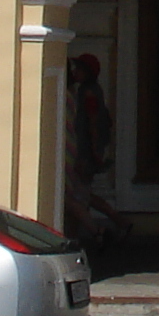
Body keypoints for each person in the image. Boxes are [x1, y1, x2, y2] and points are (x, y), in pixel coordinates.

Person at [62, 52, 128, 253]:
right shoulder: (86, 90)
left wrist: (92, 152)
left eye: (79, 69)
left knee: (77, 196)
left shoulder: (88, 93)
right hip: (84, 150)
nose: (75, 72)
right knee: (82, 195)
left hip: (82, 151)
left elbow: (92, 123)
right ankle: (112, 223)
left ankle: (94, 231)